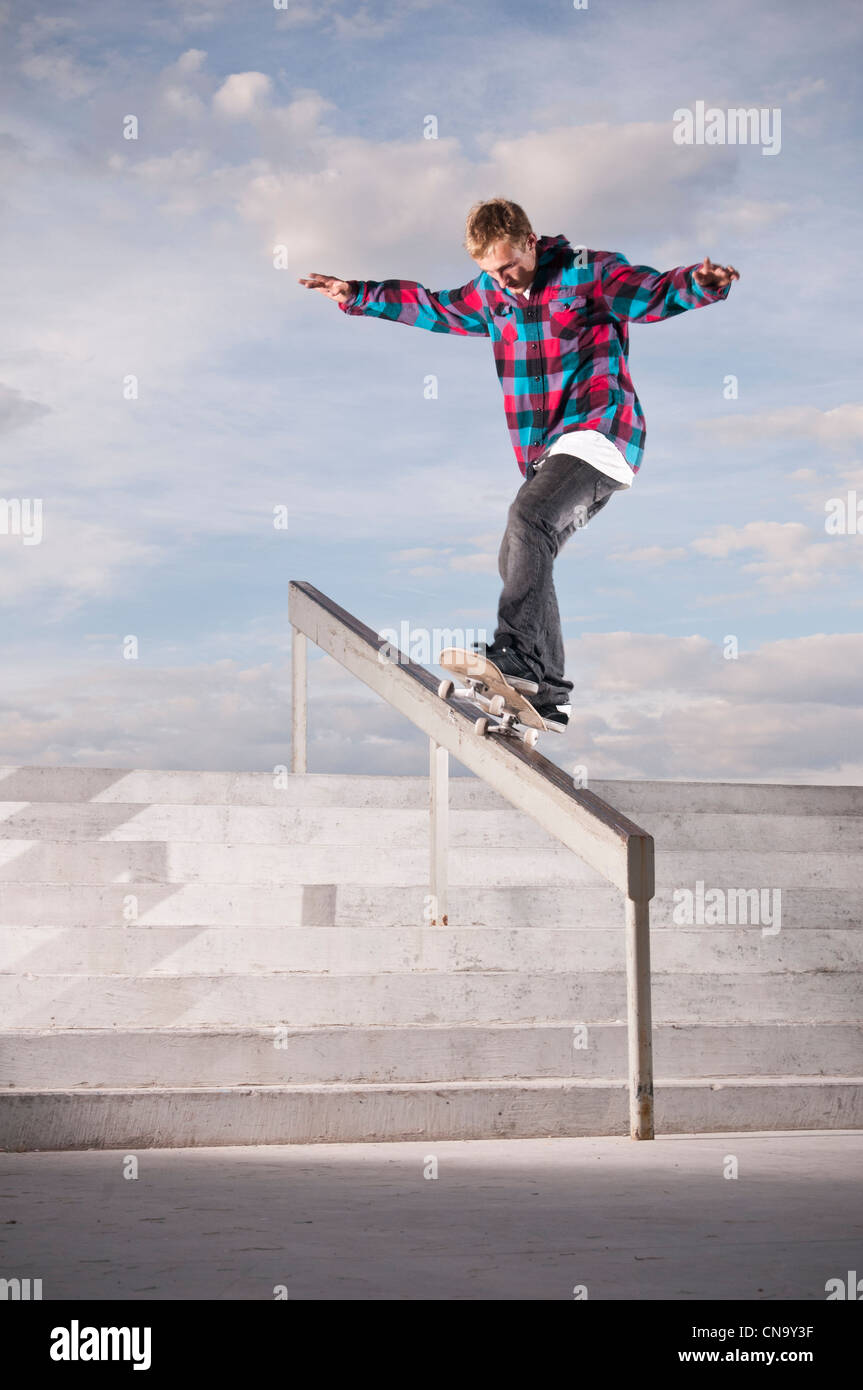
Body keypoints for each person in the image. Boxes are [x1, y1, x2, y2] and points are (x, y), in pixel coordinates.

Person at [300, 197, 739, 730]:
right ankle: (549, 694)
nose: (504, 280)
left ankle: (518, 656)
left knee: (529, 520)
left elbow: (649, 293)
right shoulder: (491, 295)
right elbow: (431, 306)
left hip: (602, 432)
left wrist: (701, 282)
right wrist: (358, 295)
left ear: (532, 242)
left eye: (509, 265)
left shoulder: (587, 272)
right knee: (519, 554)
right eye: (490, 271)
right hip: (548, 451)